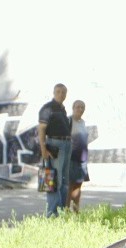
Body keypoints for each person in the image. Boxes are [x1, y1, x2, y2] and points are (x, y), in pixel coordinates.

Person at [38, 83, 72, 217]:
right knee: (52, 180)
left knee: (64, 181)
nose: (61, 94)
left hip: (66, 144)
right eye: (58, 92)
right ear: (53, 93)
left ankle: (62, 212)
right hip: (55, 144)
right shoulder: (47, 108)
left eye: (63, 92)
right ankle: (52, 213)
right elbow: (41, 129)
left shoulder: (62, 109)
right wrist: (43, 149)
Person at [67, 100, 90, 213]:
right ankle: (65, 211)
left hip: (82, 159)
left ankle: (76, 211)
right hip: (71, 158)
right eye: (78, 107)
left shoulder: (83, 122)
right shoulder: (68, 121)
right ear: (73, 108)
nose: (80, 109)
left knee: (78, 187)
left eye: (82, 107)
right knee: (69, 187)